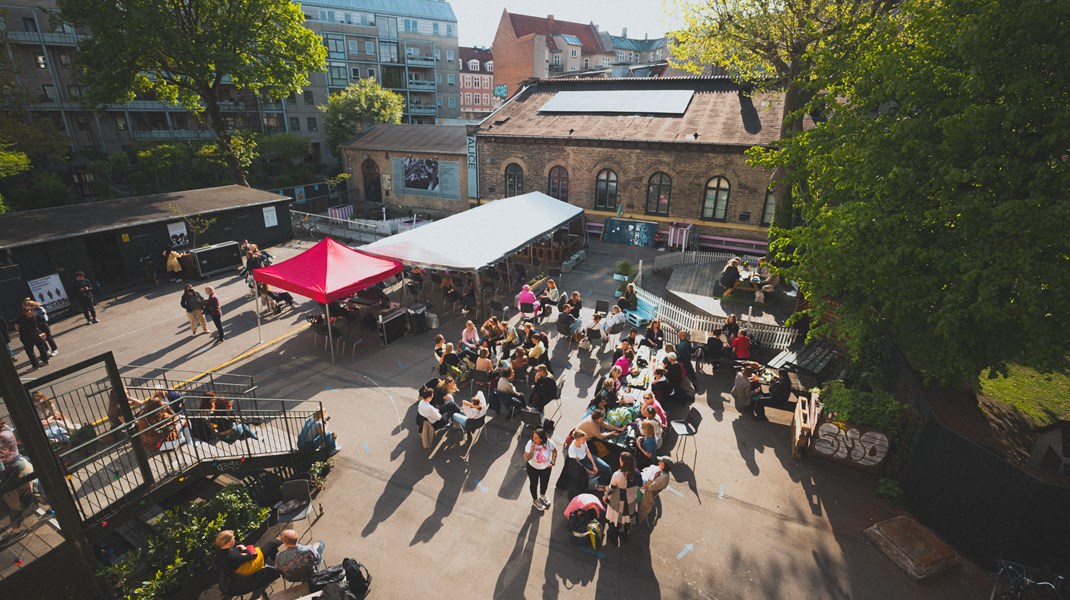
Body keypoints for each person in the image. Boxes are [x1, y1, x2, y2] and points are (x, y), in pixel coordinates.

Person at [213, 530, 280, 600]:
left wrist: (242, 552)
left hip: (236, 575)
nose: (234, 541)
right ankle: (281, 562)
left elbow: (239, 543)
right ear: (225, 543)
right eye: (232, 541)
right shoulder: (231, 557)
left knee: (271, 545)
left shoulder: (219, 552)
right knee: (272, 544)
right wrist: (243, 548)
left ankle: (278, 561)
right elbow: (251, 556)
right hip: (248, 572)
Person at [2, 418, 41, 534]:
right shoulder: (6, 429)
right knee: (31, 493)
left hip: (17, 469)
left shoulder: (3, 435)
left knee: (18, 498)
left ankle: (17, 529)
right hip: (19, 465)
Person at [603, 452, 641, 546]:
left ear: (623, 462)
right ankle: (625, 534)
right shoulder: (637, 472)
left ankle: (613, 536)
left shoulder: (618, 475)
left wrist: (605, 496)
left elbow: (611, 488)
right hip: (631, 501)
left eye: (620, 460)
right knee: (627, 519)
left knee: (615, 520)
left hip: (619, 502)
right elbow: (640, 485)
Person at [523, 428, 557, 511]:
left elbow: (555, 451)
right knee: (534, 484)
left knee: (544, 482)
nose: (533, 439)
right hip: (533, 468)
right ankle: (535, 500)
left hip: (545, 468)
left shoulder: (549, 442)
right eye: (533, 436)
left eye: (536, 438)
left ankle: (543, 494)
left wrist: (552, 462)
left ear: (542, 439)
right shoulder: (530, 443)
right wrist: (532, 450)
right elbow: (526, 458)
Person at [637, 456, 674, 524]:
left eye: (661, 462)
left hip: (645, 495)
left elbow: (649, 487)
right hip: (646, 489)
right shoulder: (662, 471)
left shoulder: (663, 479)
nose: (658, 462)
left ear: (664, 465)